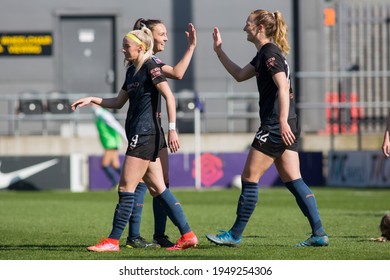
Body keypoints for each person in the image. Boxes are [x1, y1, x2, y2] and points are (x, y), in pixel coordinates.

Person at [205, 9, 328, 247]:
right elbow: (240, 75)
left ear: (260, 27)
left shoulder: (269, 53)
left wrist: (280, 121)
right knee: (293, 179)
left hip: (275, 124)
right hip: (286, 122)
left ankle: (235, 235)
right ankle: (319, 233)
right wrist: (219, 52)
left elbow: (282, 87)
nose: (244, 28)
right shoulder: (265, 53)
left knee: (249, 177)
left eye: (248, 23)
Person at [71, 26, 198, 252]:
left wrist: (172, 129)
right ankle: (188, 235)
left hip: (145, 134)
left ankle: (112, 241)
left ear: (140, 48)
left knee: (126, 187)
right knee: (158, 188)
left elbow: (169, 96)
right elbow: (118, 102)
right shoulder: (132, 71)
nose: (122, 50)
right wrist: (92, 99)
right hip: (141, 134)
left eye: (126, 46)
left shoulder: (151, 66)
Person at [125, 18, 197, 249]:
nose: (165, 37)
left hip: (153, 132)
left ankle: (156, 235)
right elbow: (177, 74)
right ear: (149, 36)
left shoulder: (151, 61)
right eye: (162, 34)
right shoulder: (148, 62)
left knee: (159, 184)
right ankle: (136, 236)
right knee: (145, 185)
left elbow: (176, 73)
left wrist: (191, 48)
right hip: (147, 131)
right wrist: (191, 48)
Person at [91, 104, 127, 189]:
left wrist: (126, 139)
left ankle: (116, 183)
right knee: (116, 165)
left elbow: (117, 126)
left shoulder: (104, 115)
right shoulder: (99, 115)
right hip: (108, 143)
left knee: (104, 164)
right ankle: (131, 181)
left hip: (111, 143)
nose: (92, 106)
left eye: (93, 104)